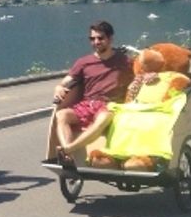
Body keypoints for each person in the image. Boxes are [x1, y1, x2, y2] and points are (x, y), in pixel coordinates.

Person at [51, 21, 134, 165]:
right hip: (88, 105)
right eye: (92, 39)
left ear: (110, 39)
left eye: (100, 38)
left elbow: (141, 72)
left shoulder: (124, 61)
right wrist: (59, 87)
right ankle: (68, 157)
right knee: (61, 115)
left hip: (110, 105)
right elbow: (68, 79)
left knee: (104, 117)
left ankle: (68, 149)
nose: (96, 42)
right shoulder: (84, 62)